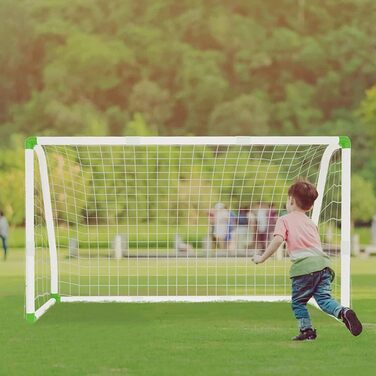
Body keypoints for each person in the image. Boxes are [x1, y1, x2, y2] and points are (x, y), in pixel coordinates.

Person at [252, 180, 362, 341]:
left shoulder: (284, 219)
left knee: (298, 302)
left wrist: (261, 258)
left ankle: (307, 330)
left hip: (304, 269)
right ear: (310, 207)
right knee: (324, 300)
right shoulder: (311, 223)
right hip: (323, 266)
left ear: (291, 200)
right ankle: (343, 312)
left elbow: (278, 240)